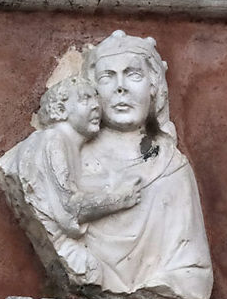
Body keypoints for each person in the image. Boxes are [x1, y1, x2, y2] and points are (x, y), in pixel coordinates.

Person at [74, 30, 213, 299]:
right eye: (107, 77)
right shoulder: (70, 158)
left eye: (133, 75)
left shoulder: (171, 167)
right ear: (92, 91)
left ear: (153, 86)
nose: (120, 87)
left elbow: (193, 273)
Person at [11, 77, 141, 284]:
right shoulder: (53, 140)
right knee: (90, 270)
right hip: (65, 250)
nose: (96, 106)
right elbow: (69, 209)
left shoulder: (65, 146)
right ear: (61, 109)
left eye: (96, 99)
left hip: (67, 247)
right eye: (85, 99)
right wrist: (120, 199)